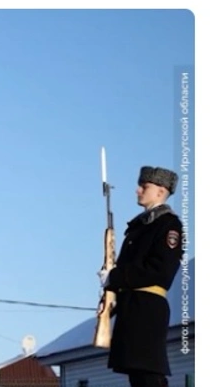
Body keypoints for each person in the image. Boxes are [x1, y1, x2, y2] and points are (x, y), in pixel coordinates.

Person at [99, 165, 184, 387]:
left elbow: (160, 271)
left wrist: (115, 277)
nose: (138, 190)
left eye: (144, 187)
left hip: (147, 308)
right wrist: (111, 291)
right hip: (131, 306)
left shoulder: (168, 225)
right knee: (137, 376)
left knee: (149, 375)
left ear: (161, 191)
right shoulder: (140, 226)